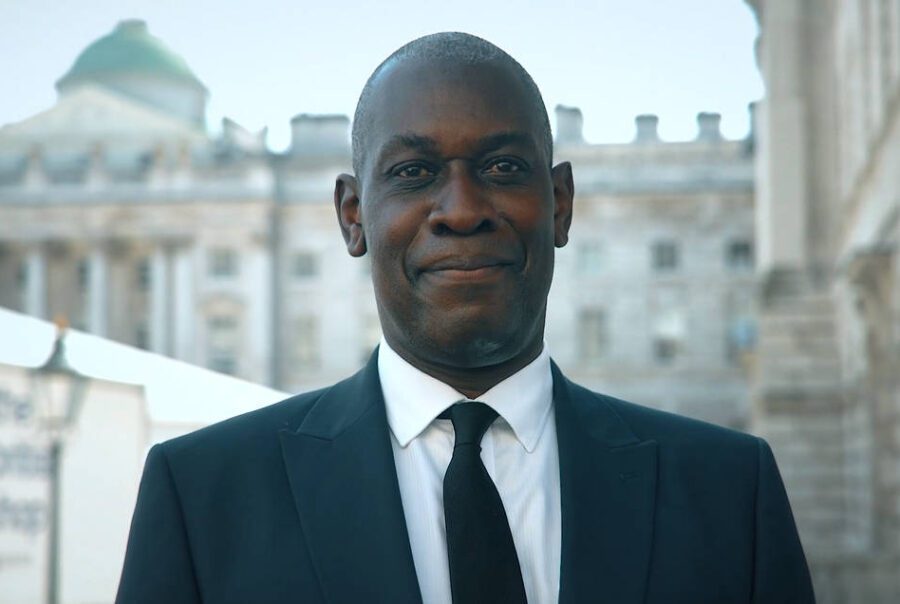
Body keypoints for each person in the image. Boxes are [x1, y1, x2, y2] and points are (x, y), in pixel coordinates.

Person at [116, 33, 815, 604]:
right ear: (352, 216)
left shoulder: (729, 491)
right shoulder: (203, 496)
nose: (461, 209)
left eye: (505, 167)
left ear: (561, 203)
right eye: (414, 173)